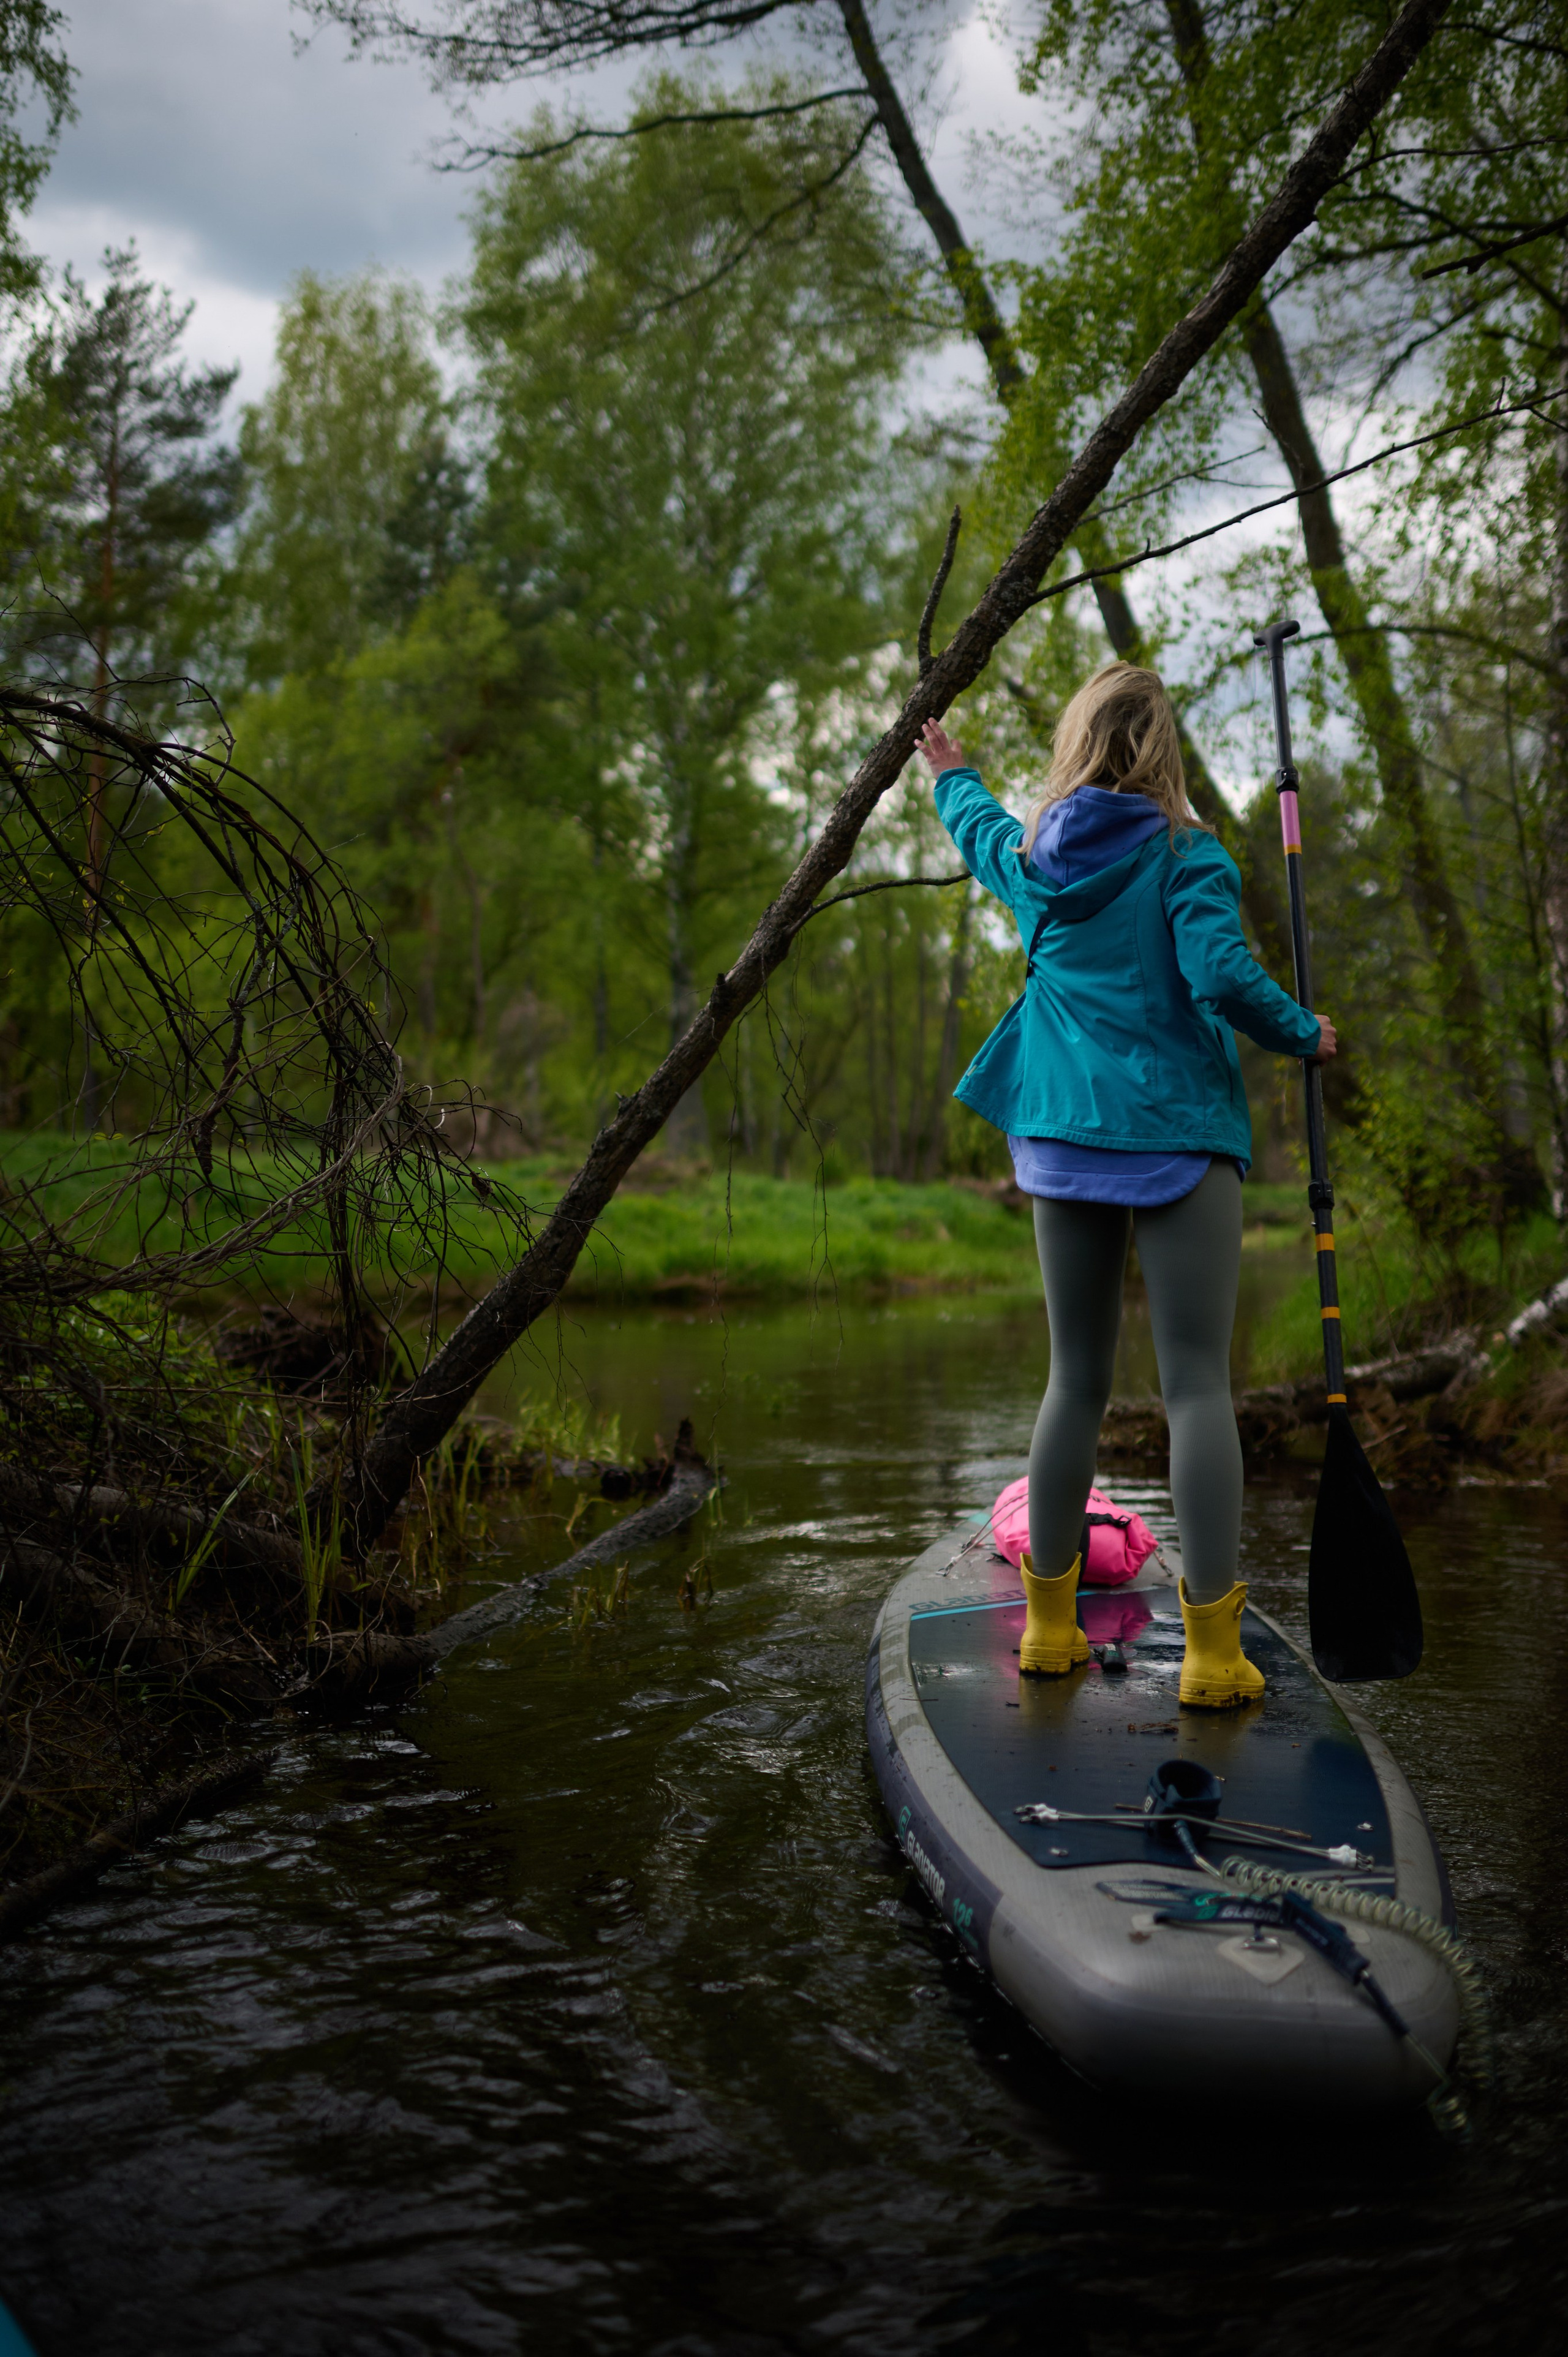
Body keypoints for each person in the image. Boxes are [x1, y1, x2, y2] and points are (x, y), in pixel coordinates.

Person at [918, 663, 1335, 1709]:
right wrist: (1303, 1034)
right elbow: (1220, 975)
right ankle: (1208, 1654)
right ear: (1163, 751)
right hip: (1180, 1139)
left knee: (1075, 1381)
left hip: (1063, 1145)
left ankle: (1049, 1634)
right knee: (1197, 1384)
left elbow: (981, 836)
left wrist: (950, 774)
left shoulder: (1039, 862)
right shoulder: (1191, 858)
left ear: (1078, 743)